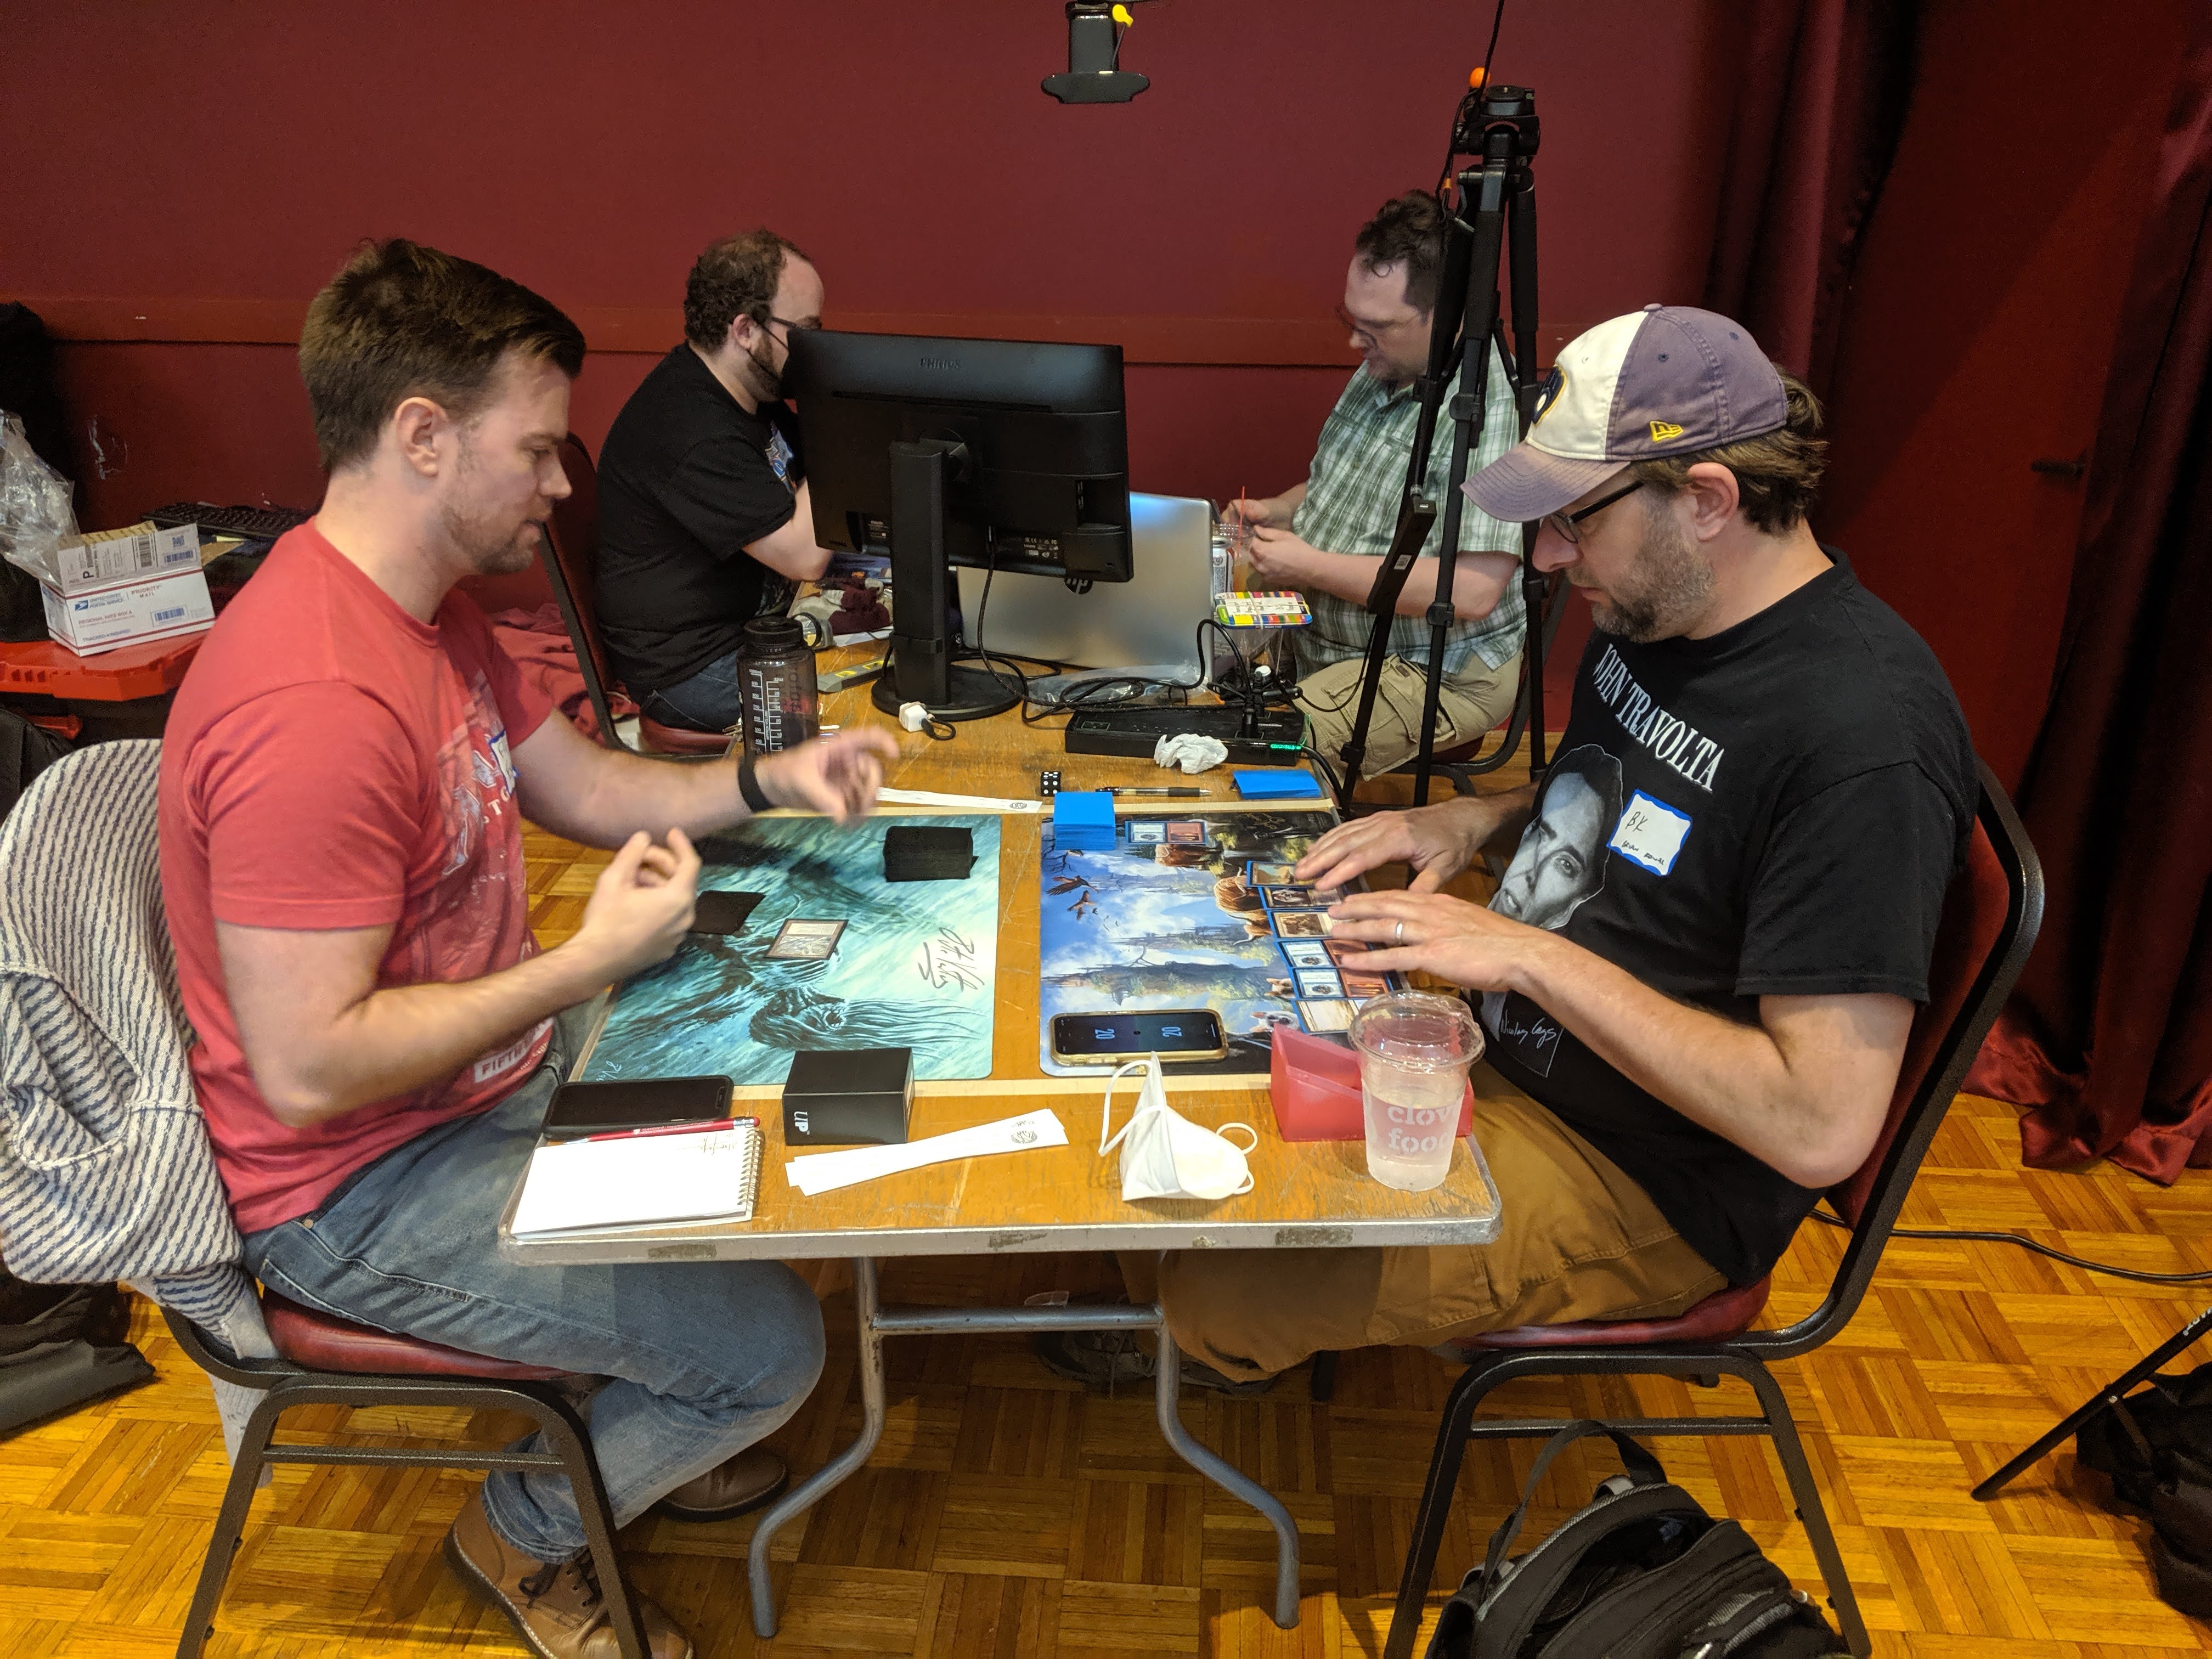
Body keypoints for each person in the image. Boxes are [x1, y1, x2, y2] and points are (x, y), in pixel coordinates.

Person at [159, 239, 900, 1659]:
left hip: (484, 1084)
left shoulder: (421, 616)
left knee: (787, 1055)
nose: (565, 484)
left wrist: (770, 778)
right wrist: (586, 962)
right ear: (422, 437)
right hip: (356, 1188)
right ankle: (524, 1527)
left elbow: (590, 787)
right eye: (539, 450)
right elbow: (308, 1068)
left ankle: (649, 1408)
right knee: (773, 1352)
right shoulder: (311, 704)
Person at [1039, 304, 1977, 1391]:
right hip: (1498, 1038)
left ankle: (1201, 1332)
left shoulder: (1863, 746)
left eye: (1574, 521)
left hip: (1643, 1174)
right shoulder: (1670, 609)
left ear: (1708, 500)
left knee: (1222, 1281)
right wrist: (1476, 817)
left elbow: (1817, 1127)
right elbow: (1647, 789)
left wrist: (1527, 954)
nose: (1545, 556)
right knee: (1208, 989)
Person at [1224, 190, 1527, 777]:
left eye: (1378, 327)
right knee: (1178, 668)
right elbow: (1348, 482)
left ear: (1449, 317)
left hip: (1428, 665)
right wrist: (1279, 509)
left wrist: (1310, 566)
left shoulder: (1487, 409)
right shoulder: (1392, 362)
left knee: (1264, 752)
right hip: (1321, 638)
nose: (1355, 343)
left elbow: (1471, 592)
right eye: (1352, 322)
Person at [594, 229, 837, 733]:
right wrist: (849, 428)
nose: (814, 349)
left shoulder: (751, 394)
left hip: (753, 628)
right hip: (691, 669)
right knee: (853, 715)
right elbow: (804, 556)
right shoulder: (692, 428)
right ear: (745, 329)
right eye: (805, 332)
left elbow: (814, 476)